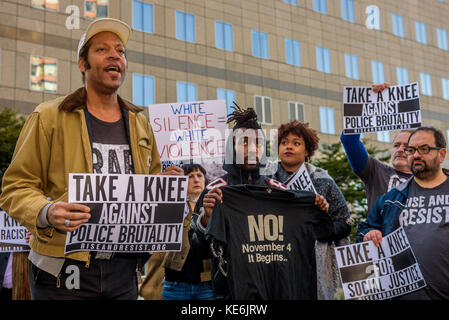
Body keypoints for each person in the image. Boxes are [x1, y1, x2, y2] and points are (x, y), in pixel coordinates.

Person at [0, 18, 172, 299]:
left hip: (124, 270)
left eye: (120, 50)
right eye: (102, 50)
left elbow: (150, 189)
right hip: (61, 269)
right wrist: (46, 212)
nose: (115, 55)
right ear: (83, 64)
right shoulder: (48, 116)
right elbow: (14, 188)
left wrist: (168, 192)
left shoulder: (142, 125)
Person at [193, 104, 330, 299]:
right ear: (232, 148)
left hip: (276, 290)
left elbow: (318, 233)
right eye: (244, 143)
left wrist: (318, 208)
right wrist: (205, 220)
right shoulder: (214, 191)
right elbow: (197, 250)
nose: (251, 149)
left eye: (257, 143)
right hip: (231, 294)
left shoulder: (278, 190)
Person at [358, 126, 449, 299]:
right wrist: (368, 234)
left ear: (442, 154)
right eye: (411, 150)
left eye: (424, 149)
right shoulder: (391, 199)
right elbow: (365, 229)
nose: (416, 155)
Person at [272, 120, 352, 299]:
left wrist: (323, 229)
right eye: (284, 143)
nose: (289, 147)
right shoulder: (265, 179)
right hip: (276, 261)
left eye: (296, 143)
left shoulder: (323, 179)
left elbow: (344, 221)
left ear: (307, 151)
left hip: (315, 263)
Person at [340, 83, 413, 211]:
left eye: (407, 147)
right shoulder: (375, 171)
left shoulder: (428, 179)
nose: (400, 149)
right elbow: (349, 140)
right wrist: (367, 100)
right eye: (396, 145)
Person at [158, 164, 213, 300]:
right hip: (175, 285)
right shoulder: (171, 203)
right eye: (190, 177)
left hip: (206, 286)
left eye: (199, 175)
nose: (196, 180)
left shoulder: (213, 206)